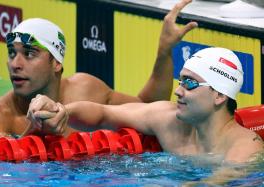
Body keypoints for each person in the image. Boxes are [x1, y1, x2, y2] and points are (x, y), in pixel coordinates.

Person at [0, 0, 197, 139]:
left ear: (56, 63)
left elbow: (148, 110)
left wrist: (164, 53)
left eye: (29, 54)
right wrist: (34, 130)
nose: (15, 64)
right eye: (12, 53)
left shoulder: (86, 89)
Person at [55, 46, 263, 164]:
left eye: (189, 83)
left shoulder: (245, 150)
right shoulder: (167, 120)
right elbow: (103, 113)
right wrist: (63, 111)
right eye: (180, 81)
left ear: (219, 95)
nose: (178, 90)